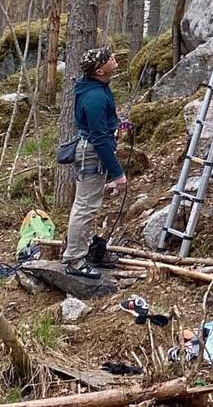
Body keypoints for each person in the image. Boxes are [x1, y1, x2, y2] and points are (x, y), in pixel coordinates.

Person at [64, 47, 126, 279]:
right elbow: (99, 139)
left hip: (91, 147)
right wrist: (117, 173)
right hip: (92, 152)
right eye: (107, 58)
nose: (113, 57)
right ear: (99, 71)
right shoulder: (95, 97)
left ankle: (80, 248)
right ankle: (75, 260)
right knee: (85, 207)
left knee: (85, 205)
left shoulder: (97, 88)